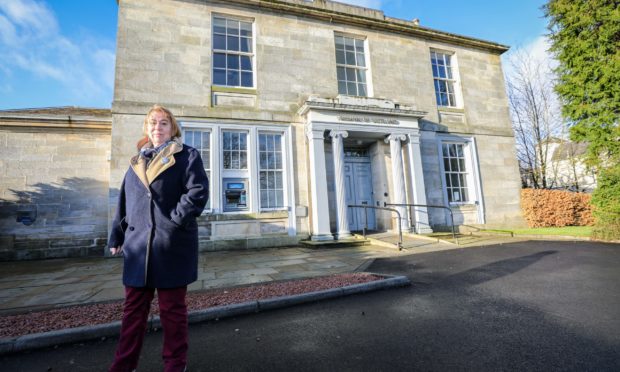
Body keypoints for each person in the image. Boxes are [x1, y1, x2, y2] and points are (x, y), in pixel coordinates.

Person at [108, 104, 209, 372]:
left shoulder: (187, 155)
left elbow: (197, 192)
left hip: (171, 246)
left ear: (172, 128)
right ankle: (123, 365)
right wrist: (116, 236)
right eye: (153, 122)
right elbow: (124, 203)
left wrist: (173, 222)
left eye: (164, 123)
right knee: (132, 313)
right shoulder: (135, 162)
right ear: (147, 127)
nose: (158, 127)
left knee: (172, 312)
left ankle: (175, 365)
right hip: (137, 247)